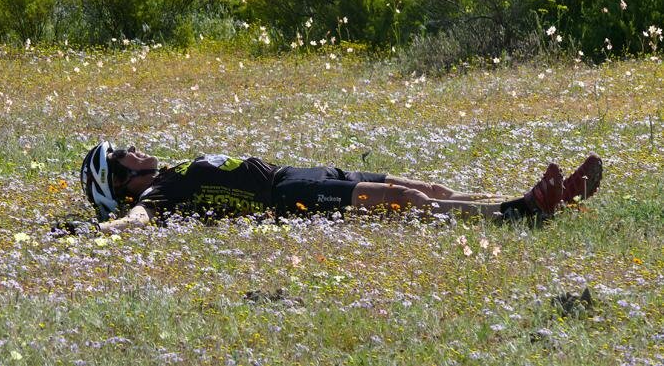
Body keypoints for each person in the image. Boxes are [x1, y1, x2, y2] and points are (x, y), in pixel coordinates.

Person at [54, 142, 602, 235]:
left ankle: (539, 199)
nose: (135, 150)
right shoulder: (157, 198)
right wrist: (95, 232)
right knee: (409, 204)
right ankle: (522, 212)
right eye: (123, 156)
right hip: (290, 202)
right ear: (121, 180)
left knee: (425, 184)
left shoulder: (169, 174)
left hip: (297, 175)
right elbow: (136, 224)